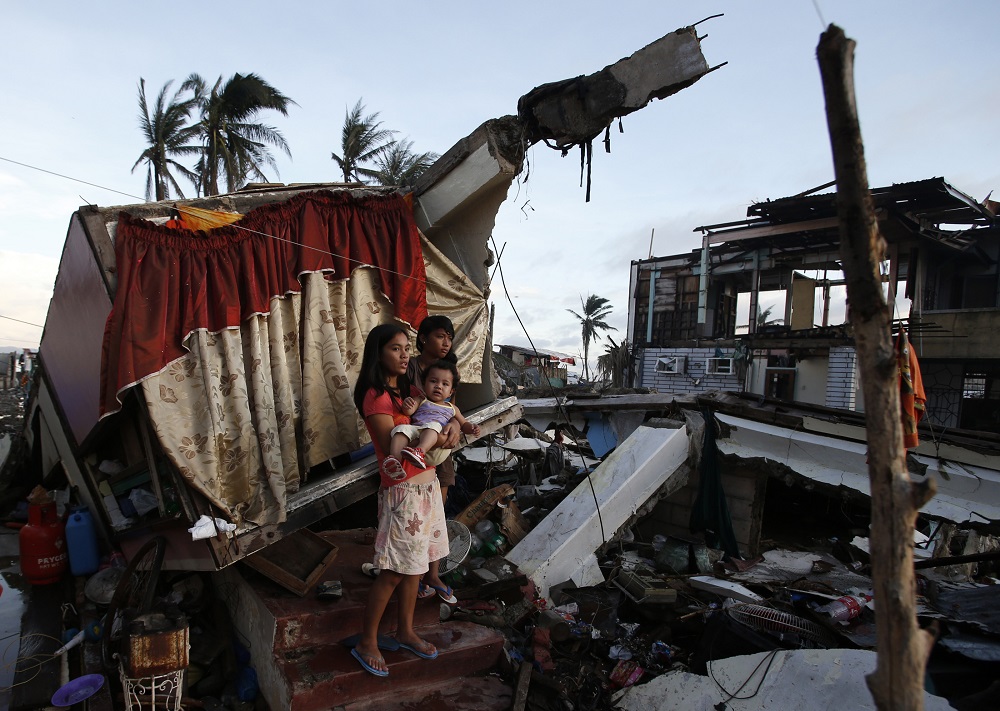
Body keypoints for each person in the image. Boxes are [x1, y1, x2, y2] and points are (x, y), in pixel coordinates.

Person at [350, 323, 449, 677]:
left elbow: (442, 413)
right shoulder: (375, 397)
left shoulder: (411, 389)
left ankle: (406, 632)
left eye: (407, 347)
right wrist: (439, 437)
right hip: (402, 492)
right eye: (396, 348)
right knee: (393, 570)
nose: (406, 354)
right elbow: (401, 447)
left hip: (427, 488)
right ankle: (367, 641)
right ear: (379, 353)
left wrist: (449, 427)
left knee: (417, 566)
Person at [406, 316, 466, 603]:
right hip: (416, 446)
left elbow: (454, 410)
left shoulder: (449, 371)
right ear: (423, 338)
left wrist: (455, 426)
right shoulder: (410, 368)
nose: (446, 342)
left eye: (449, 337)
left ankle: (431, 573)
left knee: (437, 511)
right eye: (440, 336)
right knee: (414, 515)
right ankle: (413, 574)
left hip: (441, 452)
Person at [387, 359, 481, 471]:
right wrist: (407, 403)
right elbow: (408, 412)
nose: (438, 386)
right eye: (433, 381)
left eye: (445, 384)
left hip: (437, 447)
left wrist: (471, 428)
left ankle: (420, 451)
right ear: (424, 384)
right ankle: (395, 462)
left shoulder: (452, 408)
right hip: (418, 433)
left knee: (433, 426)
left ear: (451, 391)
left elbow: (463, 424)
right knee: (401, 430)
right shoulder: (421, 399)